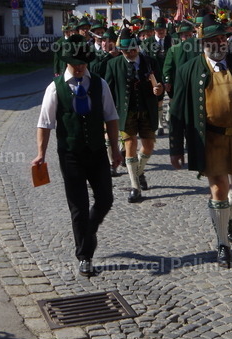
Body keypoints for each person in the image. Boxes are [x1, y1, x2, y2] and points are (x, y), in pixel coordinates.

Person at [169, 14, 232, 268]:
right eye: (213, 39)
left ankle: (224, 216)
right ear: (203, 43)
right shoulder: (188, 71)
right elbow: (177, 112)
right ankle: (223, 243)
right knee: (219, 189)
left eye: (222, 37)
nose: (219, 43)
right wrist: (176, 147)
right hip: (210, 139)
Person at [32, 35, 122, 277]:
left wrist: (115, 148)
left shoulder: (99, 84)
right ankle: (85, 256)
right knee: (79, 207)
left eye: (83, 62)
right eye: (75, 63)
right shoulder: (55, 88)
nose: (80, 67)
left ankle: (88, 230)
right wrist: (41, 153)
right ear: (67, 63)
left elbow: (111, 117)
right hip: (70, 154)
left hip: (97, 152)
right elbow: (45, 123)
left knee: (105, 199)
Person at [103, 28, 165, 203]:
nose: (129, 53)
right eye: (125, 51)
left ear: (137, 47)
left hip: (147, 109)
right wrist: (108, 113)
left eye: (132, 50)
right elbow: (108, 91)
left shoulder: (151, 62)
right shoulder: (113, 65)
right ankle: (135, 187)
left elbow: (159, 87)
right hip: (125, 111)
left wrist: (158, 90)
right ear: (120, 50)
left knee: (148, 145)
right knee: (130, 144)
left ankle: (138, 171)